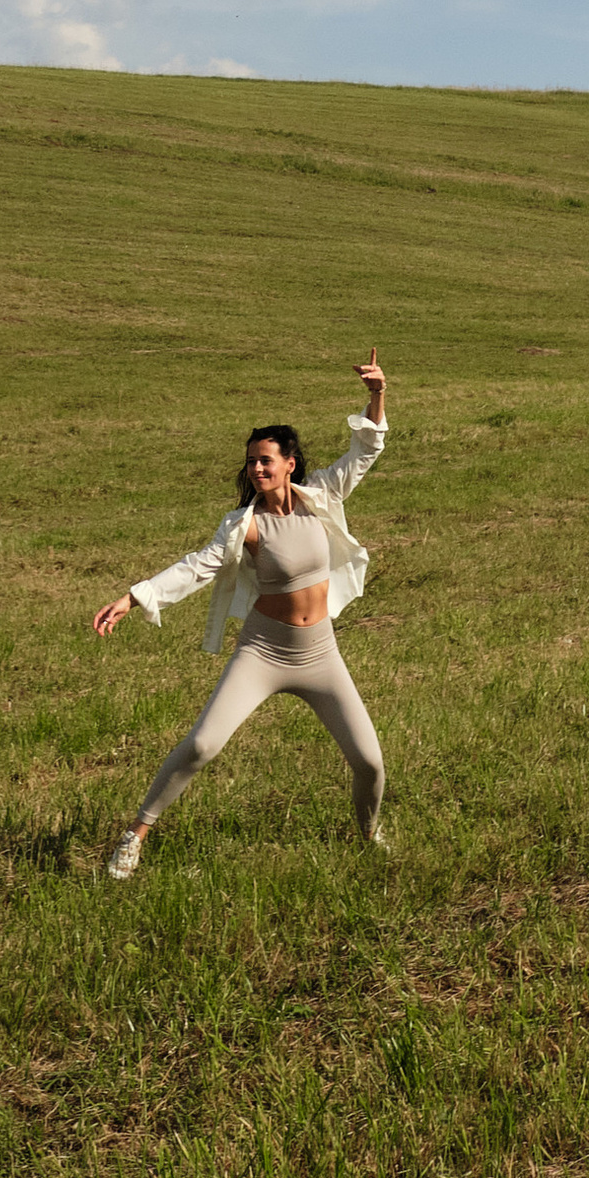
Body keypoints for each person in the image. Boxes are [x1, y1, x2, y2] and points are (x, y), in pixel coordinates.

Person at [91, 351, 392, 876]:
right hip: (265, 651)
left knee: (369, 761)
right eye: (251, 461)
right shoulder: (243, 526)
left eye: (265, 460)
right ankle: (133, 836)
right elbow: (195, 567)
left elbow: (364, 449)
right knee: (203, 743)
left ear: (289, 463)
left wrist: (377, 393)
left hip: (320, 652)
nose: (255, 469)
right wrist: (135, 597)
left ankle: (369, 834)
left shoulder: (321, 495)